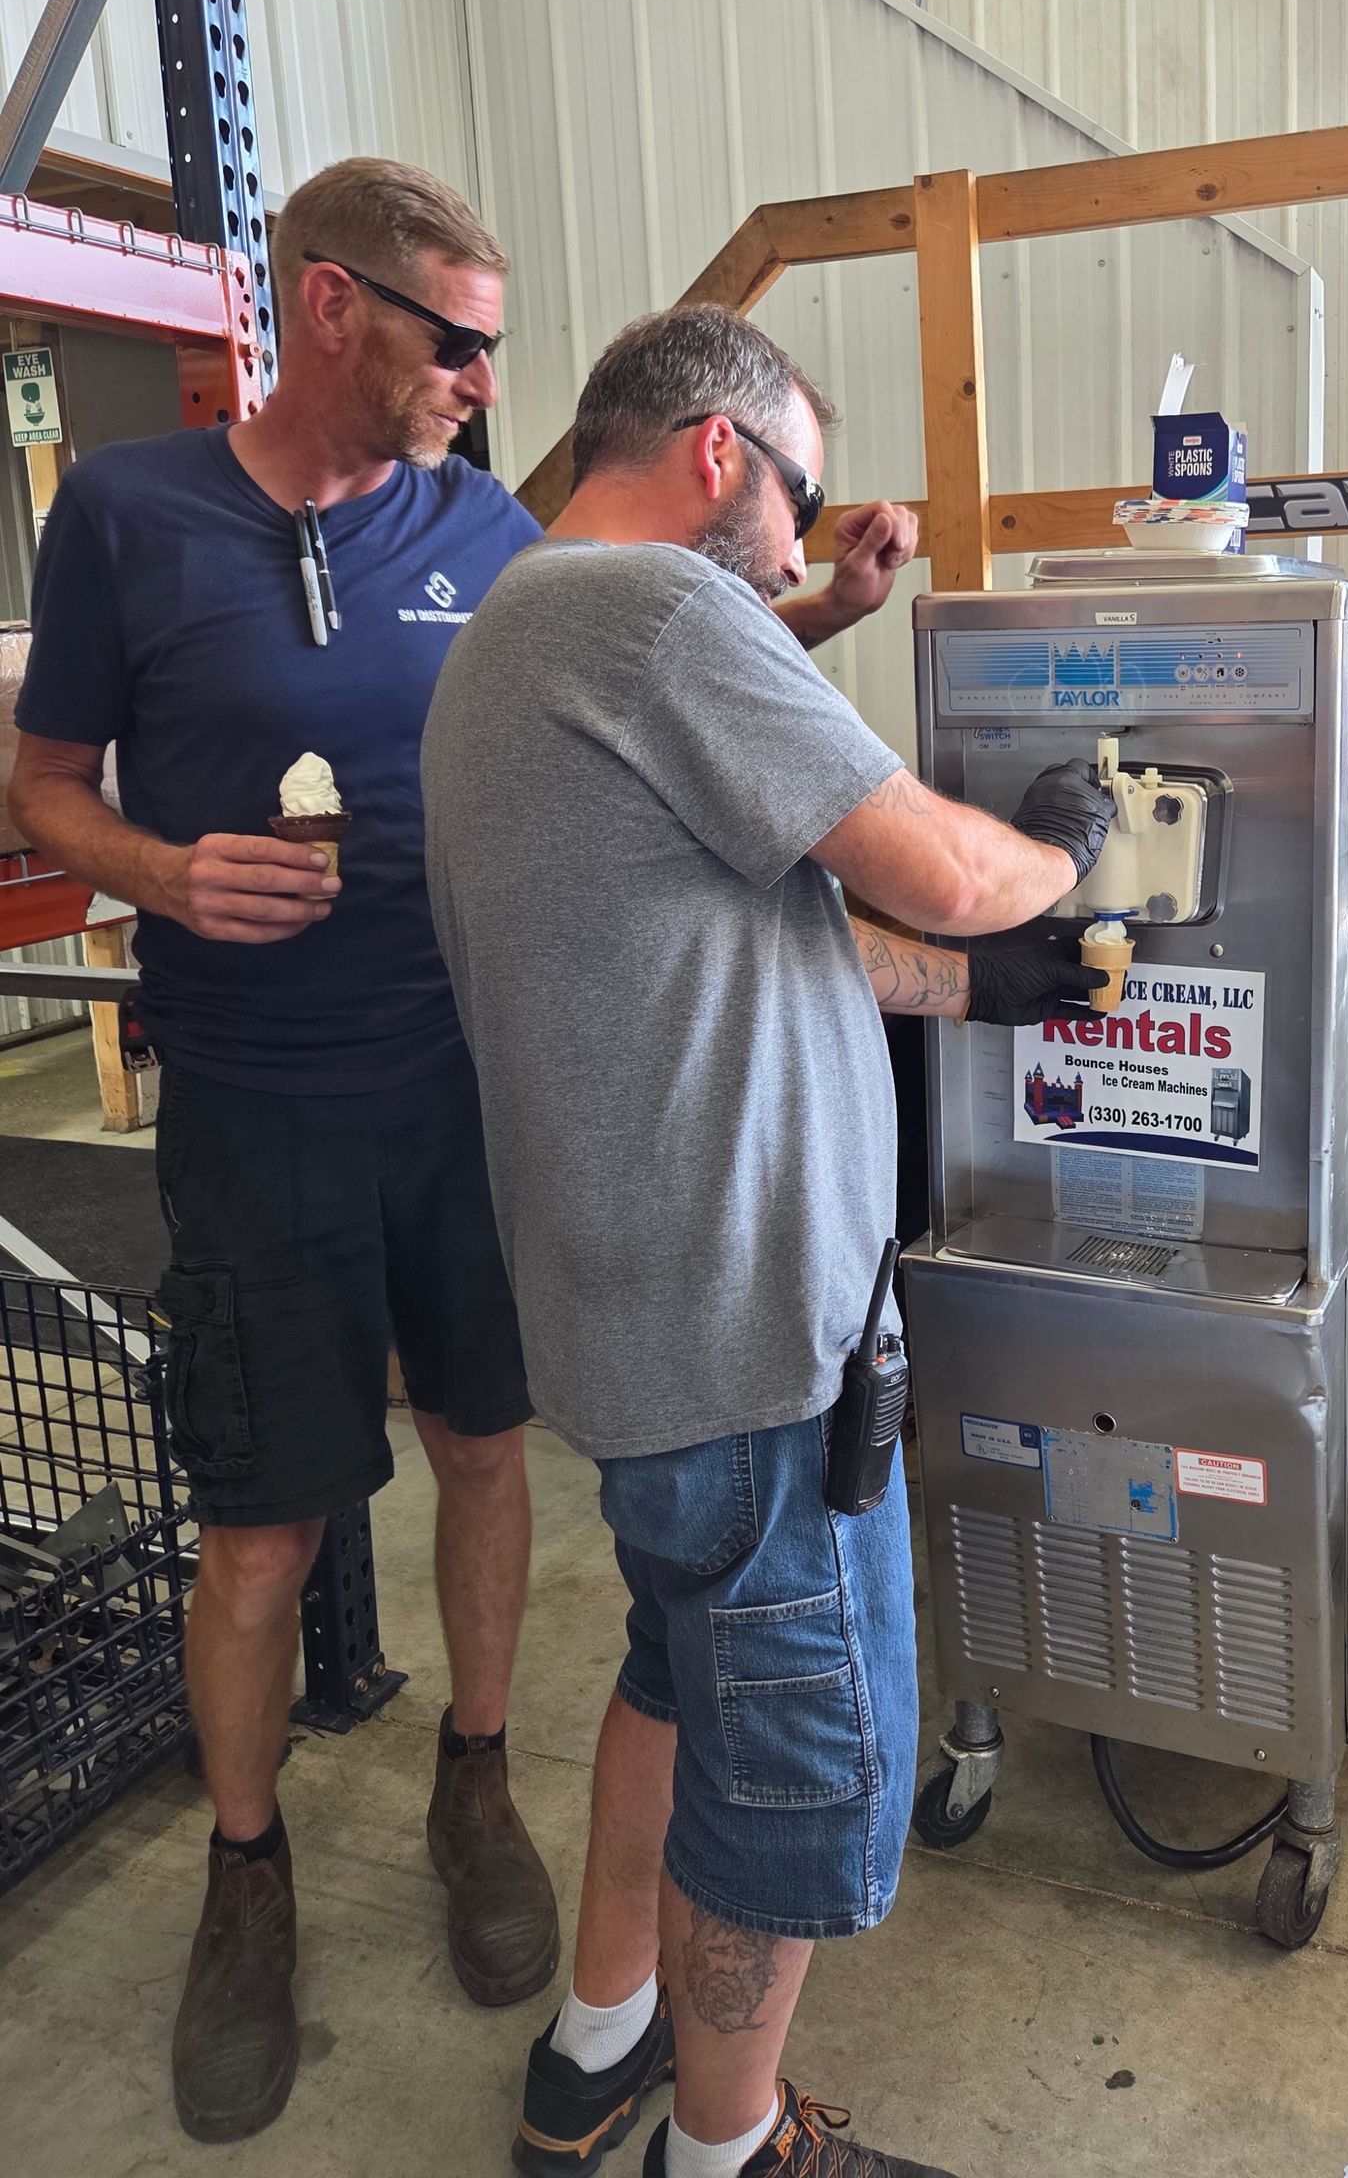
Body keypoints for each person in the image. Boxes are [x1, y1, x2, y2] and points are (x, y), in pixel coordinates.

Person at [6, 175, 920, 2147]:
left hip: (482, 1090)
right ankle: (248, 1876)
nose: (485, 381)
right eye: (454, 340)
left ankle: (478, 1772)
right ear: (332, 309)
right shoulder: (129, 517)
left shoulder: (489, 526)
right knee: (263, 1521)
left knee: (491, 1452)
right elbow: (42, 781)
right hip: (254, 1100)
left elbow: (665, 641)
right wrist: (161, 871)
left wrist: (825, 608)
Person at [421, 303, 1116, 2178]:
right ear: (715, 451)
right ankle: (725, 2154)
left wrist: (988, 991)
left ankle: (596, 2054)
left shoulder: (516, 633)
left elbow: (732, 942)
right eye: (801, 495)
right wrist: (1069, 853)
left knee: (678, 1675)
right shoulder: (653, 614)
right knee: (793, 1779)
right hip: (745, 1346)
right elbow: (950, 873)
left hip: (640, 1327)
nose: (807, 552)